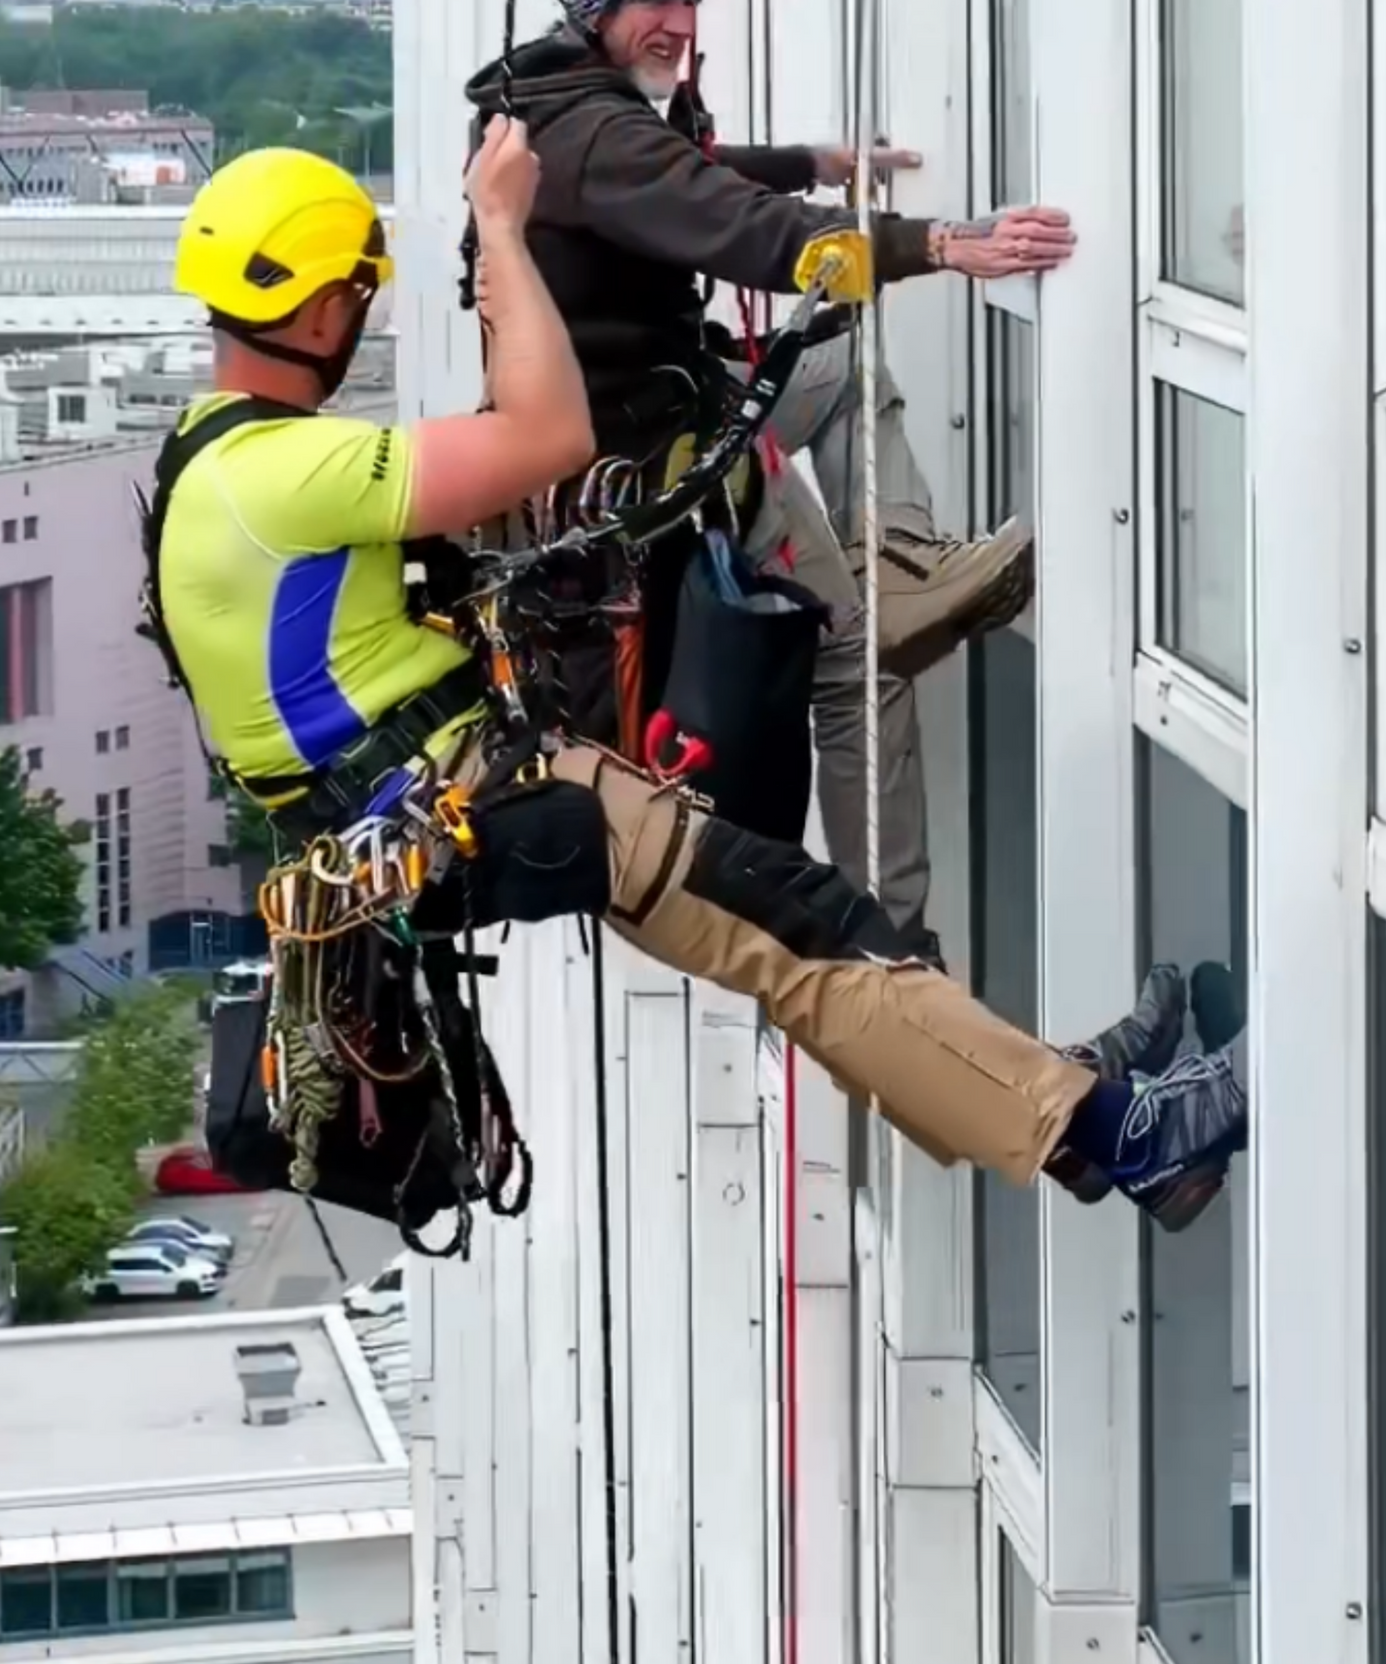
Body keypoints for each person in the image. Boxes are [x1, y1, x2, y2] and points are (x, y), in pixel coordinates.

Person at [150, 126, 1244, 1235]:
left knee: (802, 940)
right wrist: (502, 231)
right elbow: (552, 434)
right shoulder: (285, 474)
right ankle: (1123, 1134)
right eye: (359, 300)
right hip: (480, 797)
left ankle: (1063, 1107)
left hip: (448, 811)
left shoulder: (205, 461)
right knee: (811, 941)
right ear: (323, 312)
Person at [464, 0, 1076, 931]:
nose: (678, 22)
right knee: (851, 659)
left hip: (646, 434)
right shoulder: (597, 133)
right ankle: (890, 942)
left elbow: (681, 173)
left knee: (842, 373)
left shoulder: (552, 99)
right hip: (660, 464)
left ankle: (898, 557)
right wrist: (940, 243)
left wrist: (811, 160)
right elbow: (729, 223)